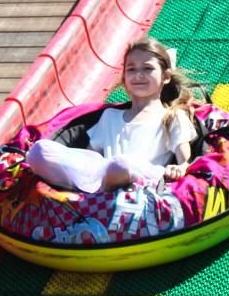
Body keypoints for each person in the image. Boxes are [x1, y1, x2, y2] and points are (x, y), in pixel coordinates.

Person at [25, 36, 198, 193]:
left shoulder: (172, 116)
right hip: (105, 175)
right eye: (131, 69)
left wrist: (180, 167)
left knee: (120, 164)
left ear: (166, 76)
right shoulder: (109, 116)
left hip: (143, 177)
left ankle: (106, 194)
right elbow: (89, 158)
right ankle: (88, 195)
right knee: (39, 151)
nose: (138, 75)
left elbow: (185, 157)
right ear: (124, 77)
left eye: (147, 69)